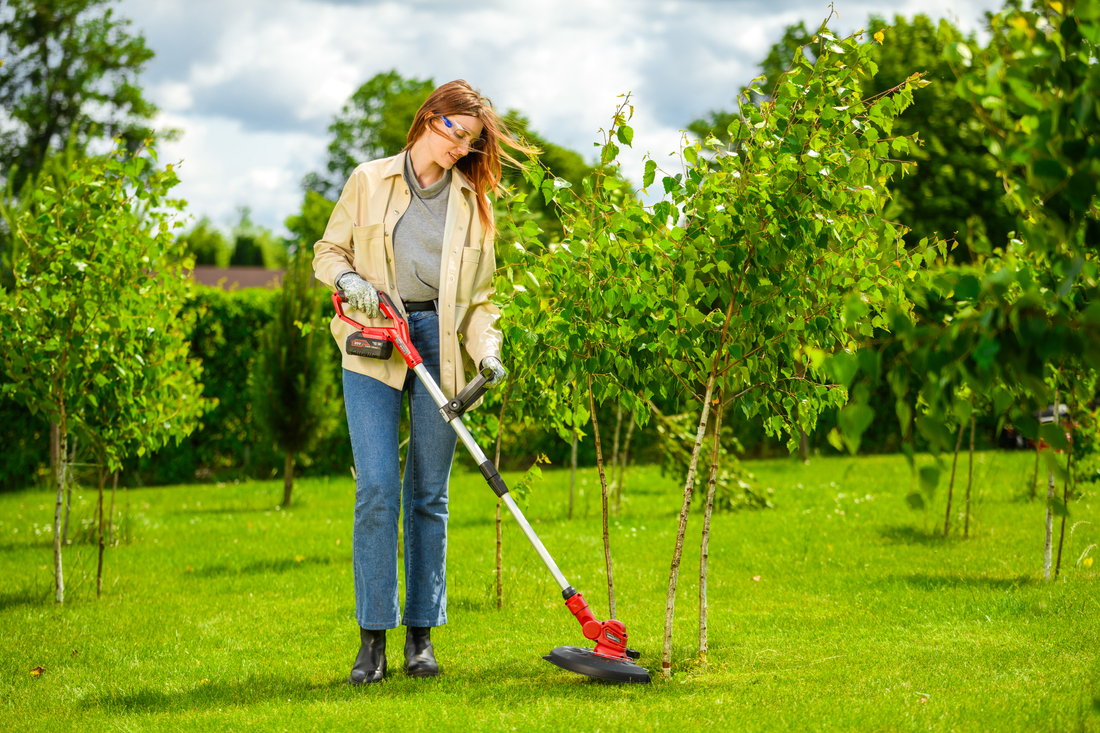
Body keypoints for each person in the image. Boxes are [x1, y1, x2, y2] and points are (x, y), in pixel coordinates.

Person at [312, 80, 528, 684]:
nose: (461, 148)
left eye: (471, 142)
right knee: (377, 485)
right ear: (430, 119)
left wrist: (489, 352)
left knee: (428, 492)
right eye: (456, 132)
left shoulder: (475, 202)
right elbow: (328, 250)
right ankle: (372, 639)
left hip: (440, 347)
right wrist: (347, 280)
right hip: (377, 336)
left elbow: (483, 298)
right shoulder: (368, 180)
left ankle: (421, 639)